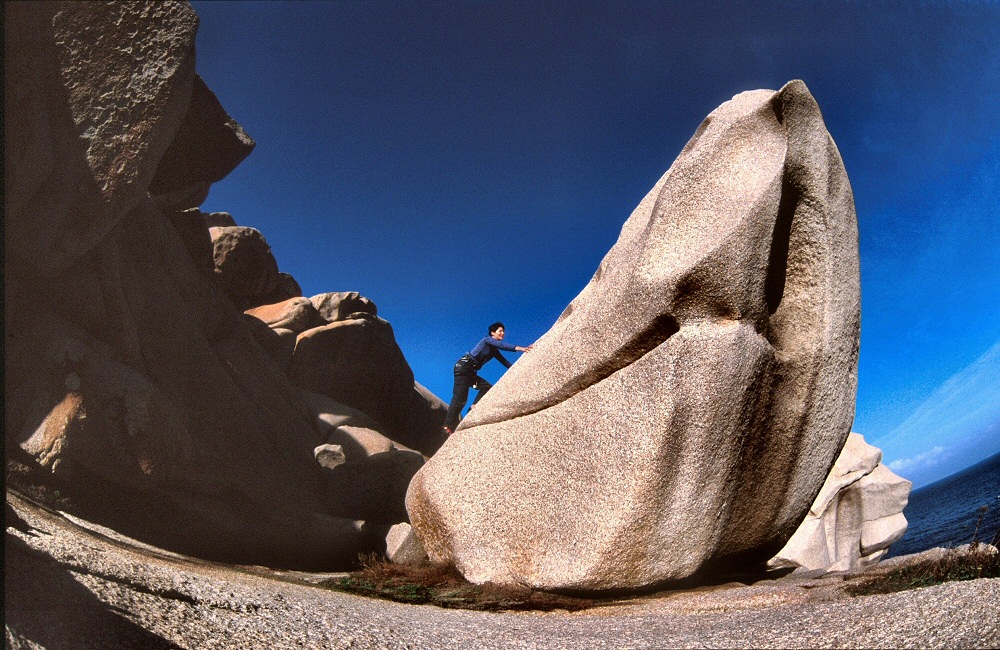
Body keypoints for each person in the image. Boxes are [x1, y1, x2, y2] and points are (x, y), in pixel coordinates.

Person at [443, 322, 532, 434]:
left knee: (487, 387)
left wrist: (520, 367)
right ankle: (447, 426)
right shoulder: (487, 340)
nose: (503, 333)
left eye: (503, 331)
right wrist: (520, 348)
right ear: (492, 333)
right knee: (460, 398)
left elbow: (504, 361)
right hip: (463, 367)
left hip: (470, 372)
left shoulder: (494, 350)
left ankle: (473, 407)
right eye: (500, 331)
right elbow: (502, 345)